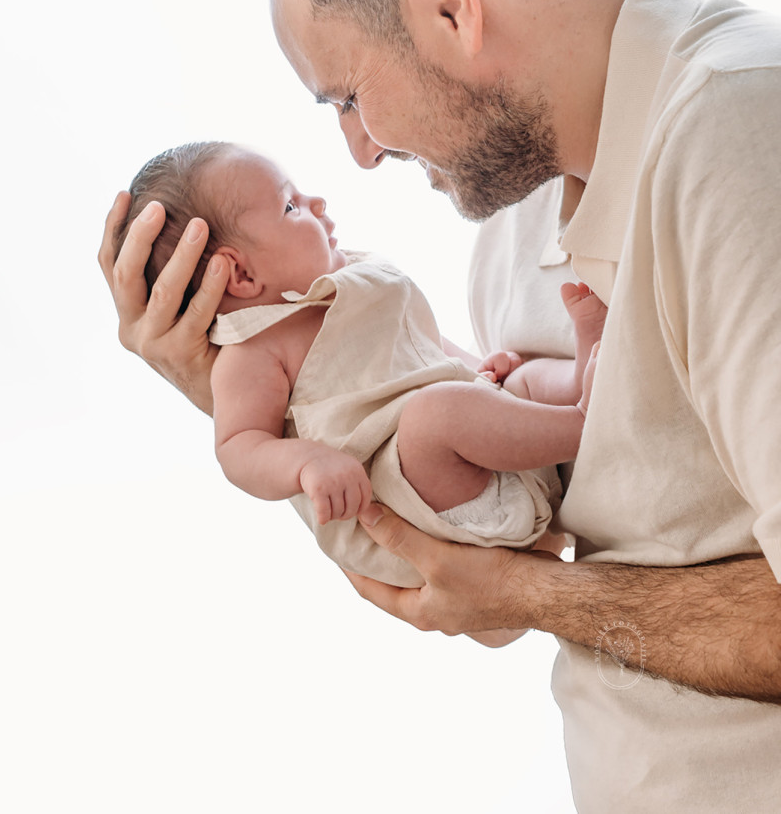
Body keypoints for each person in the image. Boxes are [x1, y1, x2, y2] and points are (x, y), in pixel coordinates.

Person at [99, 0, 781, 812]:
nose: (359, 151)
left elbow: (524, 594)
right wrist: (271, 387)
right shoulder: (514, 219)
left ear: (446, 7)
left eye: (343, 95)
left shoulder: (738, 141)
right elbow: (490, 569)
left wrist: (528, 594)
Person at [112, 140, 603, 598]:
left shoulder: (352, 279)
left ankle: (586, 376)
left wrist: (482, 370)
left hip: (478, 447)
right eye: (290, 206)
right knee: (435, 416)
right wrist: (307, 463)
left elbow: (419, 344)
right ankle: (587, 425)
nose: (317, 203)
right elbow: (239, 448)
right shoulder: (252, 351)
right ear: (239, 274)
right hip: (419, 500)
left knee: (521, 378)